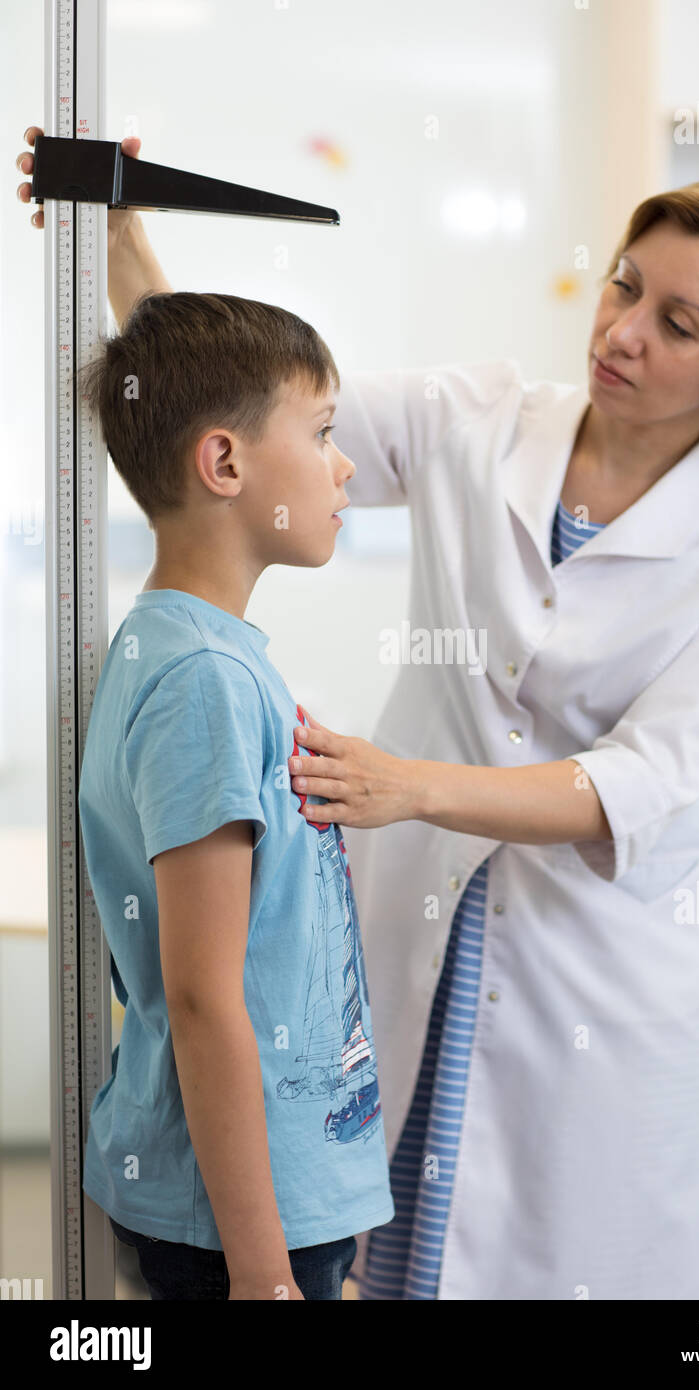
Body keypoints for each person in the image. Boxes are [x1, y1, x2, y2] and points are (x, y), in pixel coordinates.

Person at [17, 130, 699, 1298]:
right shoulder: (484, 418)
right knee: (386, 1246)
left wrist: (407, 784)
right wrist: (121, 244)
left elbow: (642, 778)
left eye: (675, 324)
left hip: (598, 969)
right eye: (624, 283)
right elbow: (245, 432)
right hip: (413, 920)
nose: (619, 331)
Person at [74, 287, 394, 1300]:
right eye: (324, 432)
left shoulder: (193, 652)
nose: (343, 466)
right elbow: (206, 995)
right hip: (234, 1235)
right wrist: (263, 1274)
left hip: (267, 1210)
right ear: (224, 463)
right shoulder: (203, 682)